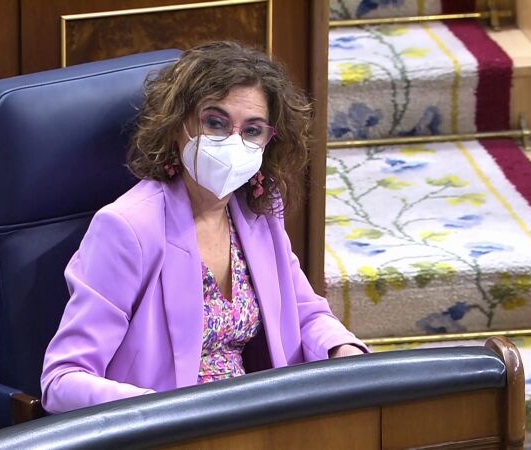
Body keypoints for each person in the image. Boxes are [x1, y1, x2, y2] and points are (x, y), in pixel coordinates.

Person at [40, 41, 367, 414]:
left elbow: (303, 312)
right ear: (178, 124)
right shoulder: (127, 228)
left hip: (255, 417)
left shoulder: (257, 211)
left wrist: (343, 350)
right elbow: (62, 380)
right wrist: (159, 411)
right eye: (215, 123)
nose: (233, 142)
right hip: (168, 427)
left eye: (253, 130)